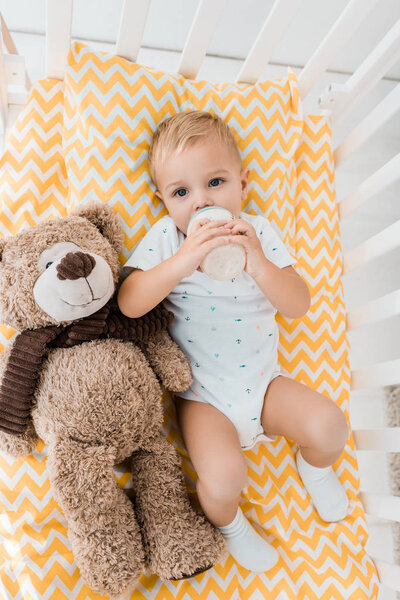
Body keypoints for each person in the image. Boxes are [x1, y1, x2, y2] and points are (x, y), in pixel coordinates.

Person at [118, 110, 350, 573]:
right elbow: (129, 303)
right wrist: (183, 260)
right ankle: (231, 526)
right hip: (204, 398)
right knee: (224, 480)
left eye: (216, 182)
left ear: (243, 183)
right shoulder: (168, 239)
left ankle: (316, 468)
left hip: (266, 385)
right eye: (181, 193)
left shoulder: (258, 232)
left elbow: (297, 304)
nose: (201, 203)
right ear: (163, 201)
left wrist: (259, 263)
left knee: (330, 427)